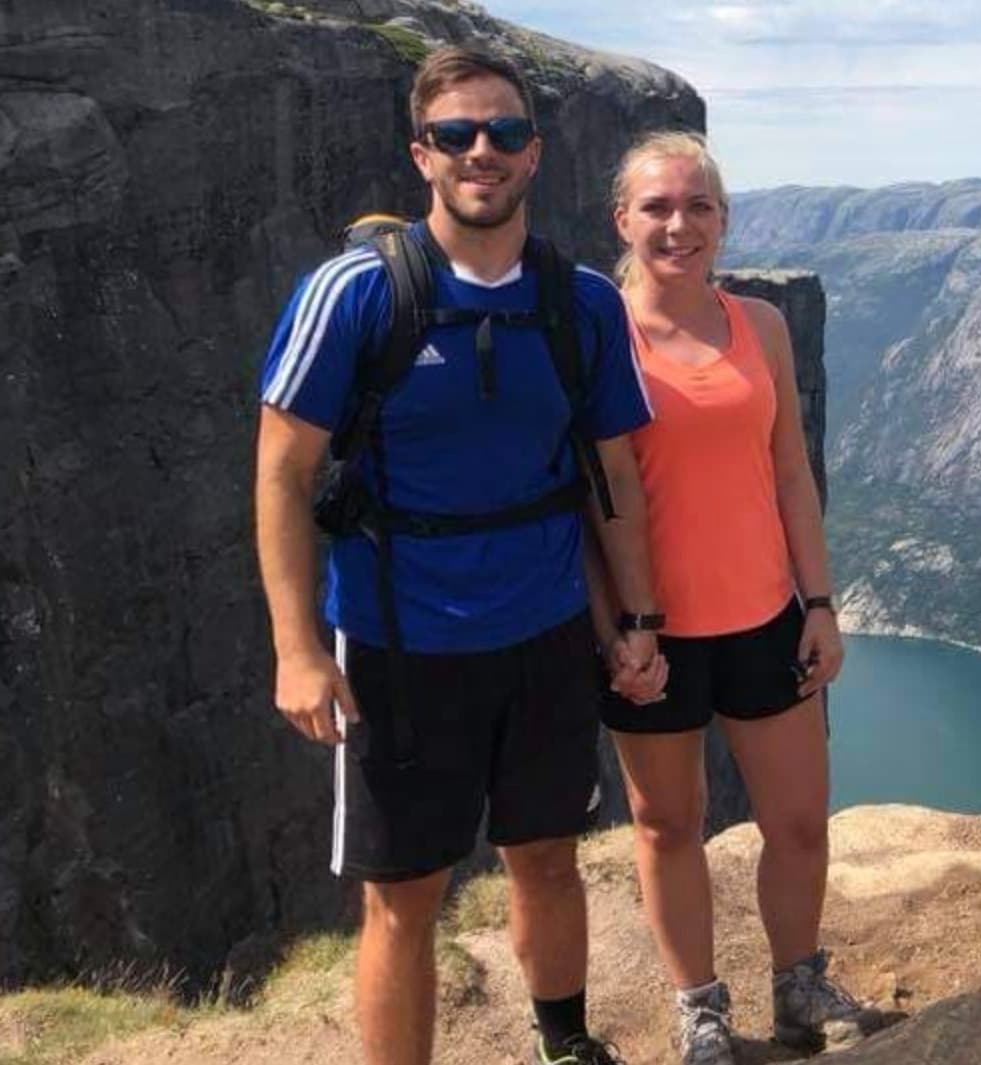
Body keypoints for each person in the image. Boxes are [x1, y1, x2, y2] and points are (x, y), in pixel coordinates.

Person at [255, 47, 663, 1065]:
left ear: (535, 152)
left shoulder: (581, 303)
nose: (483, 150)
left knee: (549, 857)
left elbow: (611, 473)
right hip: (398, 644)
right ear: (421, 154)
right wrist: (296, 650)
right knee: (404, 896)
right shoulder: (354, 294)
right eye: (457, 133)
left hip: (545, 634)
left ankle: (565, 1045)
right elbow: (280, 475)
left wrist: (636, 622)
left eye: (505, 132)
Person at [591, 131, 888, 1065]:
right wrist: (616, 632)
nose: (678, 225)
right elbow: (588, 500)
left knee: (797, 822)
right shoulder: (599, 332)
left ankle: (799, 986)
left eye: (699, 206)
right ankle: (700, 1011)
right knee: (668, 824)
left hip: (765, 616)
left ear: (722, 219)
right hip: (654, 632)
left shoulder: (759, 323)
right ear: (623, 220)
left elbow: (790, 470)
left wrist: (820, 601)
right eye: (657, 207)